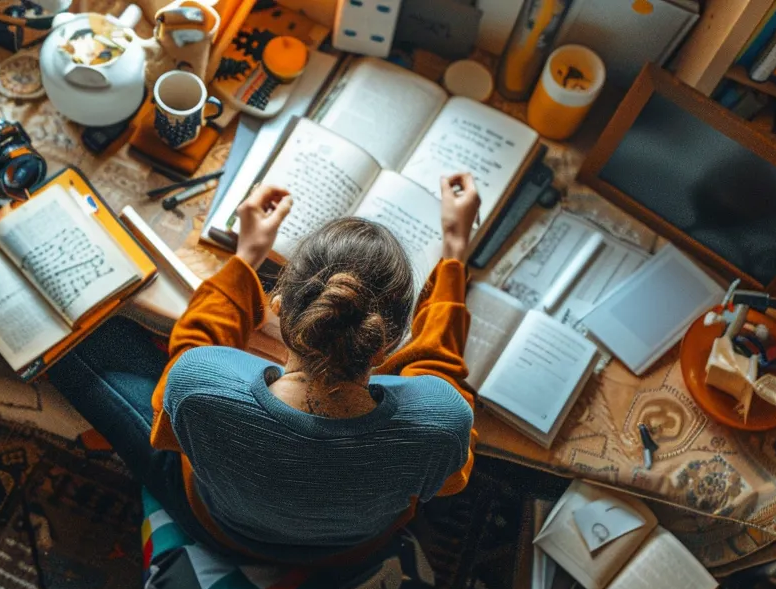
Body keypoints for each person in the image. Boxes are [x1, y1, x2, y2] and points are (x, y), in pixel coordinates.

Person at [47, 174, 483, 565]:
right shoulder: (440, 424)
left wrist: (245, 258)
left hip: (219, 529)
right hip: (347, 551)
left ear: (277, 308)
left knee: (73, 340)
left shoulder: (200, 383)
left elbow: (192, 351)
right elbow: (438, 372)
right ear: (388, 343)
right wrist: (455, 256)